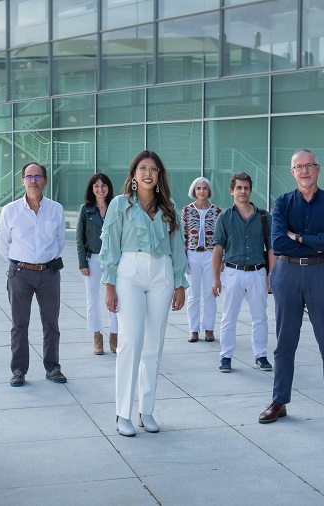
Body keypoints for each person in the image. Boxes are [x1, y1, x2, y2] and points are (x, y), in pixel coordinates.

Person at [100, 150, 188, 437]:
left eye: (153, 169)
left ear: (159, 175)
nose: (148, 173)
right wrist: (110, 285)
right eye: (142, 168)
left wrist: (179, 284)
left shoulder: (170, 207)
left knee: (154, 345)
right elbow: (110, 246)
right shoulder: (119, 205)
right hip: (129, 273)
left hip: (161, 274)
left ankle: (146, 411)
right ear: (134, 174)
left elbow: (177, 248)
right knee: (130, 342)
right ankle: (122, 413)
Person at [259, 149, 324, 427]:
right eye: (299, 167)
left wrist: (297, 235)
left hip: (322, 272)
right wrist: (319, 238)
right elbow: (279, 242)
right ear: (292, 172)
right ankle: (279, 401)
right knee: (285, 342)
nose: (305, 171)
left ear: (318, 169)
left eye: (310, 165)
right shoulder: (283, 203)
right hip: (287, 273)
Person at [0, 162, 67, 387]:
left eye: (38, 176)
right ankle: (18, 370)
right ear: (22, 181)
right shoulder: (10, 211)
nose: (33, 180)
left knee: (51, 324)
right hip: (20, 274)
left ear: (45, 180)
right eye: (29, 177)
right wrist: (18, 265)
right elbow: (3, 245)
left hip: (49, 273)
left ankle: (52, 367)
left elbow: (59, 241)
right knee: (19, 325)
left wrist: (44, 262)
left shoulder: (56, 209)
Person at [211, 173, 275, 373]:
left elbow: (272, 248)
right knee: (229, 317)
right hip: (232, 272)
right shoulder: (224, 217)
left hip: (257, 272)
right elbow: (218, 248)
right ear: (232, 191)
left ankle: (261, 355)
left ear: (250, 190)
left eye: (246, 188)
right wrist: (215, 278)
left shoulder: (264, 217)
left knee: (260, 317)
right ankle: (226, 356)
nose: (242, 191)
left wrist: (270, 275)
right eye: (238, 188)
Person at [77, 173, 119, 355]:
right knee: (92, 299)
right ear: (91, 189)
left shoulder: (116, 208)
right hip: (92, 260)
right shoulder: (85, 210)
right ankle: (97, 337)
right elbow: (79, 239)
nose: (100, 189)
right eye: (96, 186)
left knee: (116, 299)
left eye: (103, 186)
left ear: (109, 188)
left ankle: (115, 336)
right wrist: (82, 263)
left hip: (114, 261)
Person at [182, 177, 221, 343]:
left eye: (205, 188)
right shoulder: (187, 210)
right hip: (192, 255)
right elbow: (182, 234)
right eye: (198, 188)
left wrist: (222, 260)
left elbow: (221, 237)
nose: (202, 191)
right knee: (193, 295)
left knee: (210, 294)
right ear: (194, 191)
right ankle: (193, 330)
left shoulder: (217, 211)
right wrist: (183, 258)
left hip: (210, 256)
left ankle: (209, 329)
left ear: (209, 191)